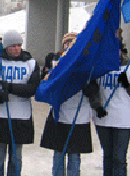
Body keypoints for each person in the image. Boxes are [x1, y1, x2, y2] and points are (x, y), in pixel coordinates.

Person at [40, 32, 106, 176]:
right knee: (58, 153)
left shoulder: (86, 64)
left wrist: (89, 89)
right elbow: (44, 86)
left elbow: (94, 89)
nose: (69, 46)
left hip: (79, 116)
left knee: (74, 155)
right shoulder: (56, 63)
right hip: (59, 114)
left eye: (72, 44)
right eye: (66, 44)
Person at [0, 29, 41, 176]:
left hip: (20, 117)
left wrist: (11, 88)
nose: (16, 48)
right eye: (13, 45)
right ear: (6, 46)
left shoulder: (31, 64)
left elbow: (33, 88)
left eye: (19, 45)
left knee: (16, 157)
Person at [93, 40, 130, 176]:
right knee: (107, 156)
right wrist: (97, 106)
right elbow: (92, 90)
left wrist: (128, 85)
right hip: (103, 119)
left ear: (121, 51)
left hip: (123, 120)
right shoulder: (98, 68)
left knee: (119, 158)